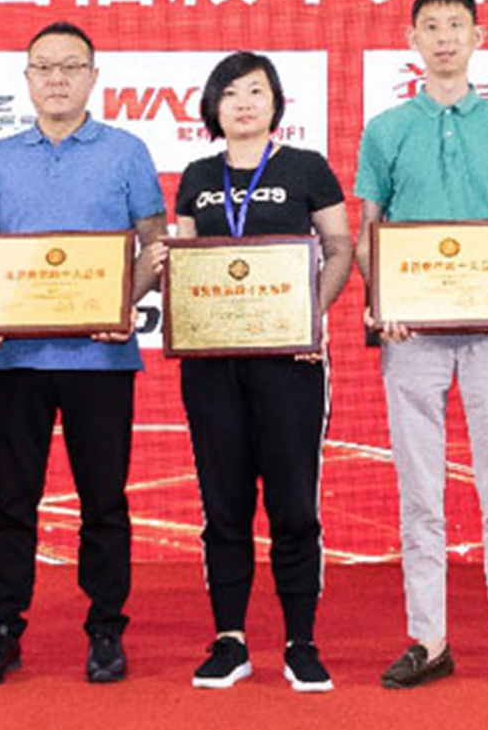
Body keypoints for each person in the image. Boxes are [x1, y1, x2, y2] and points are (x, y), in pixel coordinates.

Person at [354, 0, 488, 693]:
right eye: (430, 26)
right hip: (411, 332)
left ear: (478, 36)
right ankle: (429, 638)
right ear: (411, 40)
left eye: (455, 25)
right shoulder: (386, 128)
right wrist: (383, 301)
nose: (443, 37)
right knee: (420, 491)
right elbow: (369, 231)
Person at [0, 21, 165, 686]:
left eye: (70, 67)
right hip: (14, 361)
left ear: (93, 78)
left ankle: (105, 628)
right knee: (10, 503)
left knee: (103, 501)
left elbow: (155, 243)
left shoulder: (126, 151)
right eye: (43, 67)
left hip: (100, 359)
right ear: (27, 79)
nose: (56, 78)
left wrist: (122, 304)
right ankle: (0, 630)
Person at [144, 52, 353, 693]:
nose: (243, 103)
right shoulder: (197, 176)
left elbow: (340, 246)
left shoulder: (306, 167)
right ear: (213, 106)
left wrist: (310, 318)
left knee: (294, 505)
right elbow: (184, 257)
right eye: (230, 93)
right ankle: (230, 639)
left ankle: (300, 641)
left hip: (289, 363)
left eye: (256, 92)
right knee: (223, 503)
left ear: (275, 103)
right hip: (213, 365)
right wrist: (167, 264)